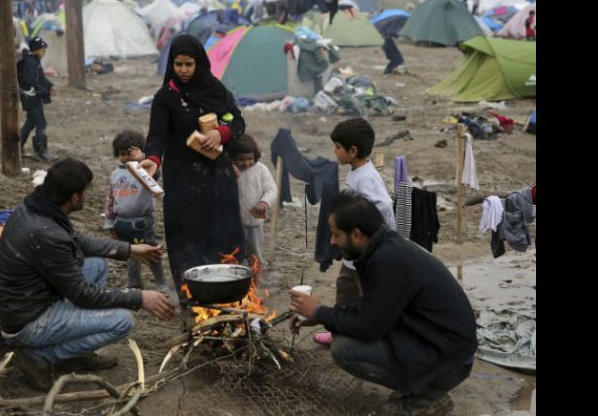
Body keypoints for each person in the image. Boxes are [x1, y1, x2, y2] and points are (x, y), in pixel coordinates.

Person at [0, 158, 175, 390]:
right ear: (75, 197)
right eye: (86, 191)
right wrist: (139, 297)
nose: (87, 196)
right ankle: (41, 357)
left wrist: (129, 250)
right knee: (122, 321)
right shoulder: (45, 233)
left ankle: (78, 349)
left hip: (28, 299)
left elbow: (75, 241)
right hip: (27, 321)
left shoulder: (37, 207)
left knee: (97, 264)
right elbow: (83, 295)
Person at [289, 191, 477, 415]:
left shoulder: (387, 261)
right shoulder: (382, 248)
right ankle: (421, 387)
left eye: (336, 234)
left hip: (451, 361)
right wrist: (320, 314)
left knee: (344, 349)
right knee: (343, 331)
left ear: (357, 235)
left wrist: (321, 313)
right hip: (437, 343)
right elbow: (373, 307)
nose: (332, 241)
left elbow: (368, 327)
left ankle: (428, 397)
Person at [139, 34, 247, 297]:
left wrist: (221, 133)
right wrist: (152, 159)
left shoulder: (216, 91)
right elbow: (157, 136)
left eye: (189, 64)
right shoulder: (166, 97)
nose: (184, 70)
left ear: (199, 63)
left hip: (217, 177)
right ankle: (193, 296)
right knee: (188, 237)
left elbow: (237, 122)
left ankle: (227, 294)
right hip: (182, 180)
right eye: (178, 65)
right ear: (171, 65)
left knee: (222, 234)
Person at [314, 118, 396, 347]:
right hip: (357, 252)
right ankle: (340, 328)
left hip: (366, 250)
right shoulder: (358, 171)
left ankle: (354, 332)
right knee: (346, 287)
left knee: (360, 290)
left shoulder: (367, 177)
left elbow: (384, 206)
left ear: (352, 150)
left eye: (338, 147)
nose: (334, 151)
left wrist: (363, 231)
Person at [104, 130, 167, 291]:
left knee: (151, 252)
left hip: (141, 222)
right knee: (130, 255)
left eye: (130, 153)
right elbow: (110, 199)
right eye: (122, 154)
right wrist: (110, 222)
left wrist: (143, 159)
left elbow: (156, 174)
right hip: (122, 222)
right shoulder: (116, 174)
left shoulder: (144, 170)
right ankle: (134, 284)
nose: (126, 157)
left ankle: (161, 283)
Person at [226, 134, 277, 263]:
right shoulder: (230, 170)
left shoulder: (261, 170)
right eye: (241, 159)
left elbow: (271, 189)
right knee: (234, 255)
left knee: (255, 256)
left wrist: (265, 202)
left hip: (255, 223)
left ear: (255, 155)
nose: (247, 163)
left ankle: (255, 280)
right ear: (233, 158)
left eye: (250, 158)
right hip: (234, 224)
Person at [17, 36, 55, 162]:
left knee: (31, 121)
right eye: (43, 50)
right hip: (31, 97)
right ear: (36, 50)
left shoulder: (34, 61)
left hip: (32, 97)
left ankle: (17, 146)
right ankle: (40, 151)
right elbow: (31, 81)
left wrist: (49, 85)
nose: (44, 53)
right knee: (41, 123)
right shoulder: (30, 63)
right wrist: (44, 91)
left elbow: (41, 79)